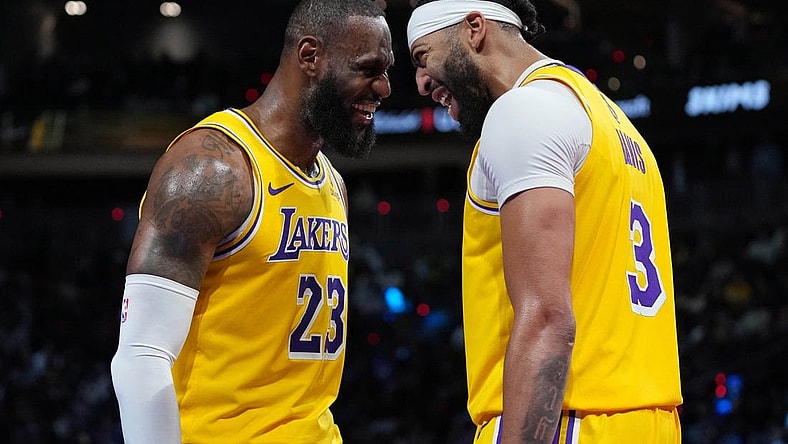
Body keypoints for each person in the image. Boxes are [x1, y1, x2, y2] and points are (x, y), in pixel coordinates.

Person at [110, 1, 393, 442]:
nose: (385, 87)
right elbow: (141, 355)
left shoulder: (331, 182)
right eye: (368, 68)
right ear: (309, 56)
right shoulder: (211, 168)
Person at [406, 1, 682, 443]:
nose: (420, 82)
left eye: (423, 57)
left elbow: (547, 318)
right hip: (648, 418)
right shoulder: (609, 117)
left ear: (474, 29)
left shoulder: (523, 111)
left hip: (570, 418)